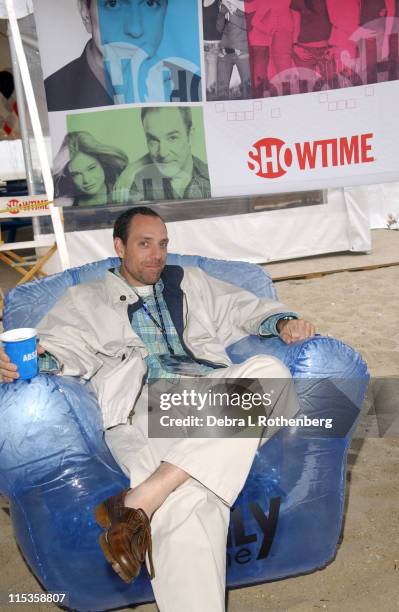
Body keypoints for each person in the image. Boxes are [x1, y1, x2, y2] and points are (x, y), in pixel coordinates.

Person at [0, 207, 316, 612]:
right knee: (190, 504)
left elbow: (243, 307)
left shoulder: (191, 282)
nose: (156, 255)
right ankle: (155, 496)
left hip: (209, 397)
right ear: (119, 246)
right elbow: (61, 347)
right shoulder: (86, 299)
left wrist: (283, 321)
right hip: (143, 411)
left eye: (162, 244)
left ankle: (145, 494)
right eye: (144, 244)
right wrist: (23, 363)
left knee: (269, 372)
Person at [44, 0, 201, 111]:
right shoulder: (49, 96)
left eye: (150, 3)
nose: (135, 29)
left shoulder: (194, 89)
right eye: (113, 3)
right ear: (86, 14)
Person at [113, 107, 211, 203]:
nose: (162, 153)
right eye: (153, 140)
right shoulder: (134, 185)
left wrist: (134, 166)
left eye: (172, 138)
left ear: (190, 136)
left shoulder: (213, 178)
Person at [53, 131, 128, 207]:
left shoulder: (127, 193)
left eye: (91, 168)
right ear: (69, 177)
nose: (86, 180)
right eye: (76, 174)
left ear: (102, 163)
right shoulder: (62, 204)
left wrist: (132, 169)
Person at [245, 0, 295, 98]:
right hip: (262, 41)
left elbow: (249, 9)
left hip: (272, 39)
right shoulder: (268, 2)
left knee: (270, 68)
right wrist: (270, 30)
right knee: (263, 71)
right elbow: (254, 19)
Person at [290, 0, 336, 89]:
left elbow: (335, 21)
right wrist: (295, 46)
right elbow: (294, 24)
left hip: (326, 50)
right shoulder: (297, 1)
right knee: (307, 89)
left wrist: (333, 46)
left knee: (332, 87)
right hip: (303, 50)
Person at [216, 0, 252, 99]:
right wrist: (222, 13)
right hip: (224, 53)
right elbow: (218, 28)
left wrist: (232, 14)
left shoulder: (246, 4)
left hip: (242, 53)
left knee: (247, 91)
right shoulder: (224, 6)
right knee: (221, 92)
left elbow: (248, 26)